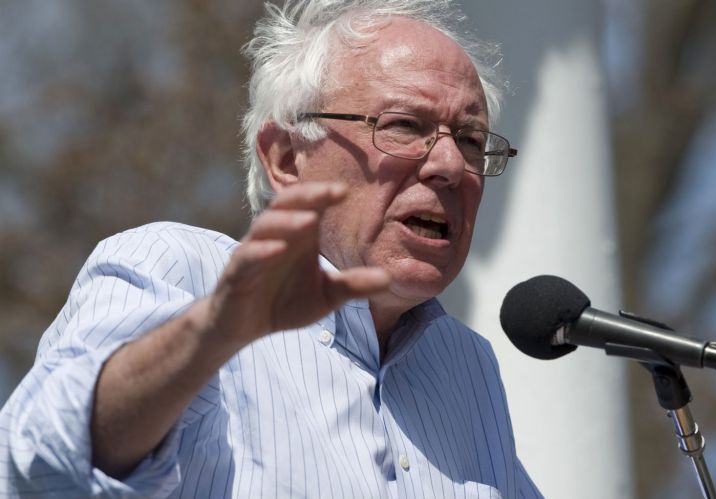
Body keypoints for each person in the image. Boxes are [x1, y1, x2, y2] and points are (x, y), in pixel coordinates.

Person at [0, 1, 543, 497]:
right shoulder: (179, 272)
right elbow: (41, 464)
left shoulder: (466, 365)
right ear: (285, 157)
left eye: (471, 139)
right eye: (403, 126)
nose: (451, 165)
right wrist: (214, 331)